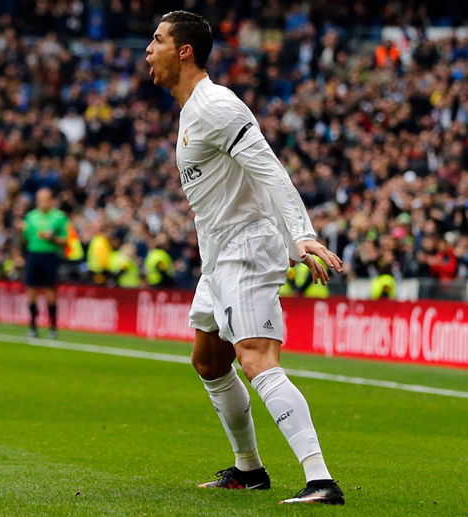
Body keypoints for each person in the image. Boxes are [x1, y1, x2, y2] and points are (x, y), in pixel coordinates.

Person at [146, 11, 345, 505]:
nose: (148, 50)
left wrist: (302, 237)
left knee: (255, 360)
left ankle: (321, 480)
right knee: (209, 360)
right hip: (218, 257)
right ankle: (249, 470)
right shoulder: (190, 111)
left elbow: (270, 171)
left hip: (245, 250)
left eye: (158, 40)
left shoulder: (216, 105)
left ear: (184, 51)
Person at [22, 188, 68, 339]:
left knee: (50, 291)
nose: (42, 202)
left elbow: (66, 240)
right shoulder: (31, 217)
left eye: (45, 199)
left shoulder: (59, 217)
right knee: (31, 291)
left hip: (50, 256)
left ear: (51, 200)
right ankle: (33, 327)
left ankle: (53, 328)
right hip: (33, 255)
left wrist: (52, 239)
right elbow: (26, 238)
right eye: (39, 199)